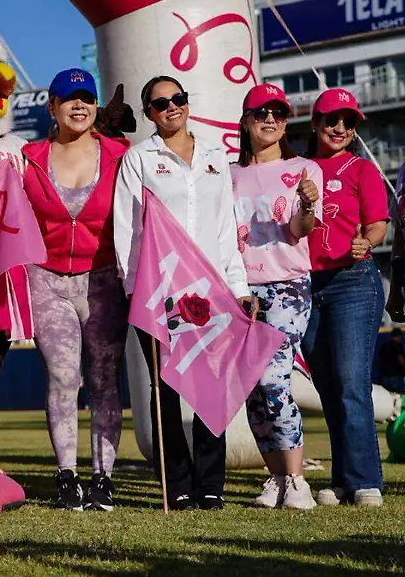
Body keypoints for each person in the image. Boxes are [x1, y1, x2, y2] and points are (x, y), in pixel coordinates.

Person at [114, 75, 254, 511]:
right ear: (149, 113)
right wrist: (135, 289)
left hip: (210, 290)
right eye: (160, 103)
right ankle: (176, 482)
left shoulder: (216, 154)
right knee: (166, 391)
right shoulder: (138, 159)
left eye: (178, 99)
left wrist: (238, 288)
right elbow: (126, 230)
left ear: (187, 104)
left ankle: (210, 483)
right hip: (159, 291)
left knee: (210, 387)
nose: (171, 107)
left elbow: (224, 228)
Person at [21, 69, 129, 512]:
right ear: (53, 108)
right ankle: (67, 477)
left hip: (104, 280)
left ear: (97, 106)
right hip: (47, 280)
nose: (78, 106)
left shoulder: (123, 156)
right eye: (69, 99)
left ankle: (103, 479)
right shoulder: (27, 157)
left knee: (104, 379)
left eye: (86, 98)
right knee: (64, 378)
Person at [229, 83, 322, 510]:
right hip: (238, 290)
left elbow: (301, 231)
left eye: (278, 113)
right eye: (261, 112)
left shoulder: (304, 170)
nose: (270, 119)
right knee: (251, 389)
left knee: (274, 381)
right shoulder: (226, 174)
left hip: (286, 286)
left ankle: (297, 479)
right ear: (245, 120)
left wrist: (307, 205)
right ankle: (276, 478)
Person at [302, 88, 389, 507]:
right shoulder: (297, 168)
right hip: (305, 286)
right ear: (315, 123)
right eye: (332, 120)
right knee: (328, 387)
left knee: (352, 383)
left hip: (354, 282)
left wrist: (365, 244)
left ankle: (365, 480)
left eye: (348, 122)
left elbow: (377, 225)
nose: (340, 128)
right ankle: (341, 479)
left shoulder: (362, 169)